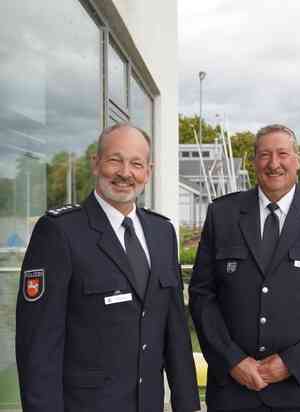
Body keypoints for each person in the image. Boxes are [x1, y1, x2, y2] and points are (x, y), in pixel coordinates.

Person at [15, 124, 200, 412]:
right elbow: (38, 346)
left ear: (148, 172)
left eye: (136, 164)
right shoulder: (59, 232)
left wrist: (186, 404)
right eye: (115, 160)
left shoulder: (162, 232)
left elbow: (175, 333)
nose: (125, 173)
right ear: (96, 164)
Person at [189, 124, 300, 412]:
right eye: (264, 155)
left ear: (298, 160)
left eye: (282, 154)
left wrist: (293, 362)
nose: (273, 163)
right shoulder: (223, 214)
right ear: (254, 162)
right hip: (234, 389)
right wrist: (232, 360)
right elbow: (202, 295)